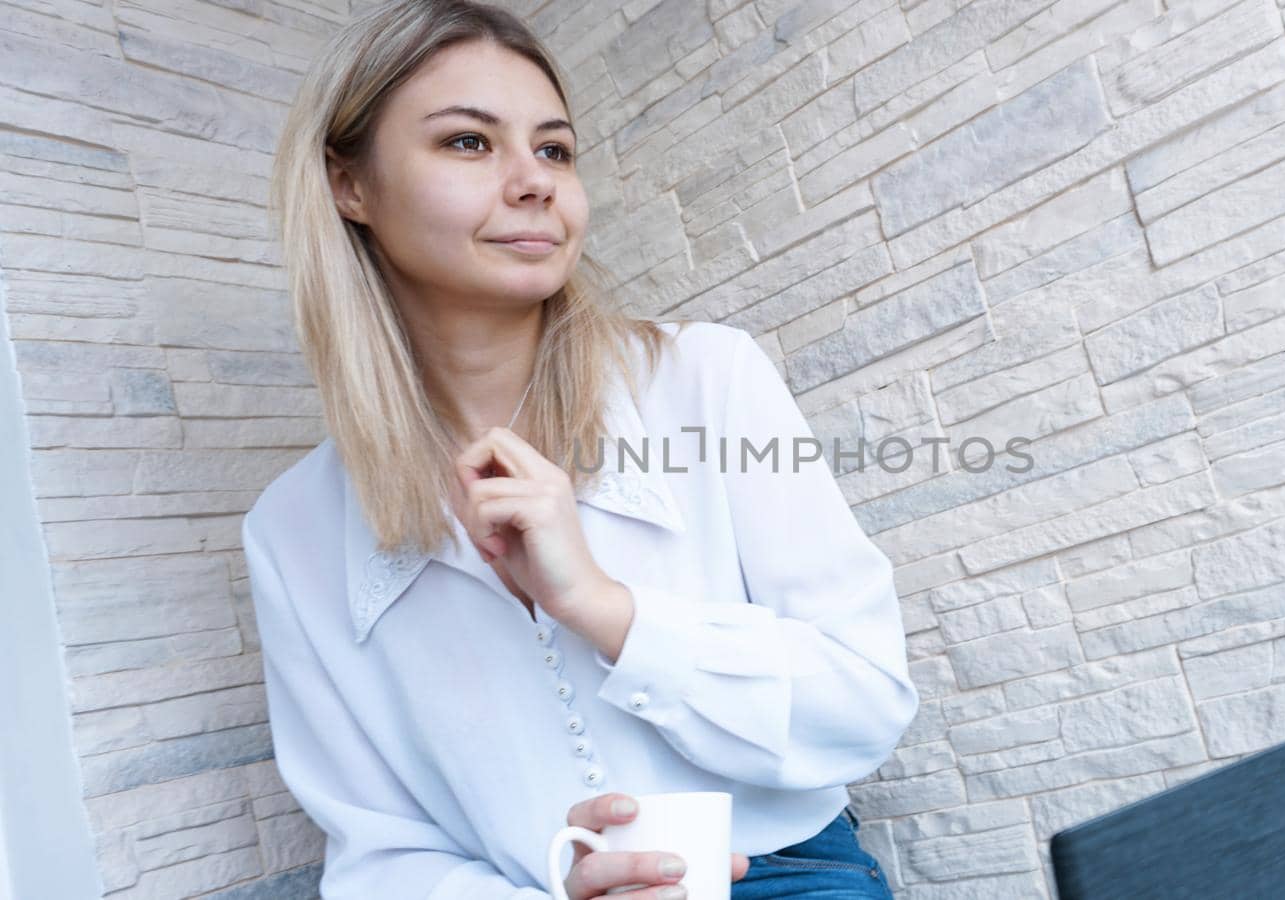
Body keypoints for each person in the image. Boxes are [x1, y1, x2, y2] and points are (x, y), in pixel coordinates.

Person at [244, 1, 920, 898]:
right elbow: (379, 856)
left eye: (554, 149)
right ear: (349, 185)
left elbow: (865, 701)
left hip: (780, 876)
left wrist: (605, 610)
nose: (535, 183)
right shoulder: (290, 529)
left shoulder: (706, 377)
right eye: (468, 144)